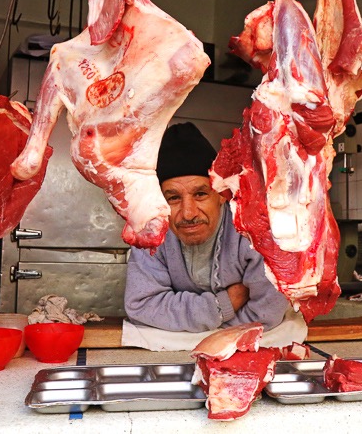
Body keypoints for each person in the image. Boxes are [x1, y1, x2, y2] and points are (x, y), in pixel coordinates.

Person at [124, 122, 291, 333]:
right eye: (173, 198)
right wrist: (224, 305)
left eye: (200, 194)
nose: (188, 213)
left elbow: (267, 314)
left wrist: (188, 324)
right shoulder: (151, 233)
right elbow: (140, 306)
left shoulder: (252, 229)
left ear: (222, 194)